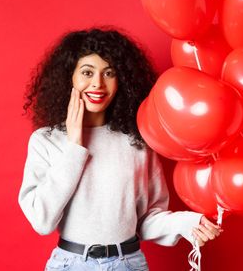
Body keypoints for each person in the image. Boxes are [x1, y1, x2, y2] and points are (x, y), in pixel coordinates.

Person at [19, 27, 222, 270]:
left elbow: (146, 219)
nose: (97, 84)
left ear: (121, 81)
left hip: (128, 263)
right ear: (69, 77)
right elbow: (42, 222)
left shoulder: (136, 141)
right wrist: (74, 146)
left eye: (109, 73)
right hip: (70, 264)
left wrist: (186, 223)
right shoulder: (46, 141)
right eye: (87, 72)